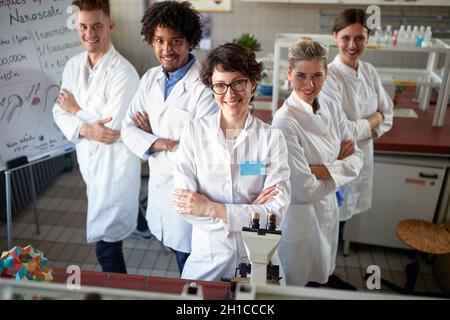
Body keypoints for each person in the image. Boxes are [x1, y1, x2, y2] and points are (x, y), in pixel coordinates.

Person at [172, 43, 291, 281]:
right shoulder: (194, 133)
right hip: (208, 261)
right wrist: (252, 213)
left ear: (253, 83)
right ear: (212, 88)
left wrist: (211, 208)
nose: (229, 94)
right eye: (220, 85)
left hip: (259, 260)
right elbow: (183, 205)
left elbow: (275, 214)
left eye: (238, 83)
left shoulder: (271, 138)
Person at [121, 1, 218, 273]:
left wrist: (151, 139)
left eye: (175, 41)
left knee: (193, 267)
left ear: (189, 42)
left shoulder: (204, 87)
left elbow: (201, 150)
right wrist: (160, 141)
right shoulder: (150, 78)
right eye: (159, 40)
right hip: (160, 191)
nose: (167, 50)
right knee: (178, 260)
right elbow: (127, 128)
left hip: (191, 193)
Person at [52, 0, 140, 273]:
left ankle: (119, 292)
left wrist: (76, 110)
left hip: (116, 166)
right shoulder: (72, 65)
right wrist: (86, 128)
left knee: (106, 246)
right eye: (83, 26)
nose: (89, 33)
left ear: (110, 26)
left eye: (97, 26)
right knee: (108, 237)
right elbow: (58, 110)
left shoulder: (123, 72)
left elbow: (110, 132)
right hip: (90, 162)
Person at [272, 37, 364, 287]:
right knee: (296, 283)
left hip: (327, 210)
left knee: (322, 272)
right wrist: (339, 167)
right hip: (300, 217)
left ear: (326, 75)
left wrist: (324, 170)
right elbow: (302, 189)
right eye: (301, 75)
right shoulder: (284, 122)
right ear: (289, 73)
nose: (309, 84)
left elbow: (358, 157)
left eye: (317, 76)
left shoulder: (332, 107)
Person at [322, 9, 393, 240]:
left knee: (345, 218)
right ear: (335, 37)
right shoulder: (328, 77)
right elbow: (342, 130)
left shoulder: (370, 71)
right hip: (339, 160)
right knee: (331, 221)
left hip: (363, 157)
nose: (353, 45)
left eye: (360, 38)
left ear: (367, 39)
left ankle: (331, 273)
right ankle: (326, 275)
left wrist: (372, 123)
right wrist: (374, 120)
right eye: (346, 38)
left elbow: (388, 111)